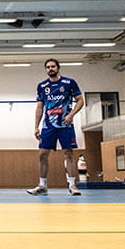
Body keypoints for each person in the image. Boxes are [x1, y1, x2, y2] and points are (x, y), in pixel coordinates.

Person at [28, 58, 85, 196]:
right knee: (42, 154)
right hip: (48, 125)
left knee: (69, 153)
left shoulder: (69, 83)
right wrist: (36, 126)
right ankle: (42, 186)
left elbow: (80, 100)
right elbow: (39, 107)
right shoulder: (42, 86)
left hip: (65, 124)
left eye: (53, 66)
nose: (50, 69)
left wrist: (71, 115)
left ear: (58, 68)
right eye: (47, 67)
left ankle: (72, 185)